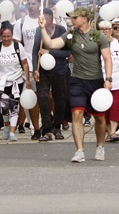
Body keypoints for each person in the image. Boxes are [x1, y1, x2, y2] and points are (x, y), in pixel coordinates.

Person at [38, 7, 112, 163]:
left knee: (99, 118)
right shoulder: (70, 36)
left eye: (75, 17)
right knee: (76, 114)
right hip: (77, 80)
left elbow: (107, 58)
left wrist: (108, 79)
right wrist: (43, 28)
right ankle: (79, 151)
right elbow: (50, 43)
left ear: (84, 18)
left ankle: (100, 147)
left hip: (96, 81)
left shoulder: (99, 37)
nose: (72, 20)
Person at [0, 23, 30, 142]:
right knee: (5, 106)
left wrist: (27, 79)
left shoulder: (18, 46)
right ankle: (6, 126)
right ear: (1, 36)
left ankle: (12, 131)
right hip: (2, 81)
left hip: (16, 80)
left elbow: (25, 63)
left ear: (12, 35)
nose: (6, 39)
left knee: (14, 106)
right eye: (4, 37)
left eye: (9, 36)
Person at [33, 8, 67, 142]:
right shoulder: (38, 32)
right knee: (43, 99)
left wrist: (50, 52)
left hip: (60, 71)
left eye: (45, 20)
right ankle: (46, 129)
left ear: (51, 20)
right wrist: (35, 69)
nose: (42, 22)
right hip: (43, 71)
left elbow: (66, 53)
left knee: (60, 100)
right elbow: (35, 50)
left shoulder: (61, 31)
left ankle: (57, 126)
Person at [12, 0, 43, 139]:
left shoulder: (44, 21)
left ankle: (49, 126)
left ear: (39, 4)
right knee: (32, 98)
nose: (31, 6)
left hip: (45, 65)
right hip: (29, 67)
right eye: (28, 4)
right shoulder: (21, 23)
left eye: (33, 4)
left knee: (47, 98)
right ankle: (36, 128)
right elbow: (17, 46)